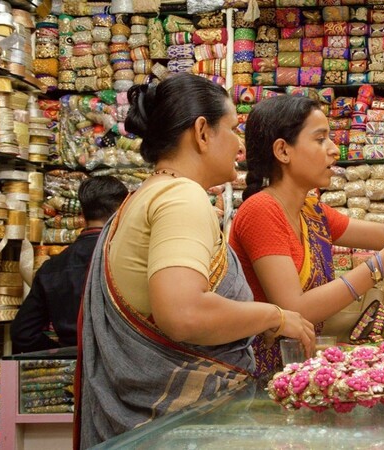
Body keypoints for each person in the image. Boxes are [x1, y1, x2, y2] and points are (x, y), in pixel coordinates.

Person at [77, 73, 315, 448]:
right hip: (176, 433)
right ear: (203, 132)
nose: (240, 145)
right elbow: (183, 314)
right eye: (233, 128)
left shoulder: (143, 196)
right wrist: (276, 316)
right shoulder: (181, 198)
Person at [229, 95, 384, 377]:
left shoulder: (311, 212)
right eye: (320, 139)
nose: (334, 150)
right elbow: (293, 308)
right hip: (261, 374)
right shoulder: (262, 211)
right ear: (283, 151)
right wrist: (380, 266)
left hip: (296, 370)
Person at [10, 176, 128, 353]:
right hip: (122, 366)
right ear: (122, 210)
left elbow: (23, 333)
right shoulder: (127, 260)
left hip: (72, 370)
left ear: (82, 213)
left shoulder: (52, 268)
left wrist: (65, 352)